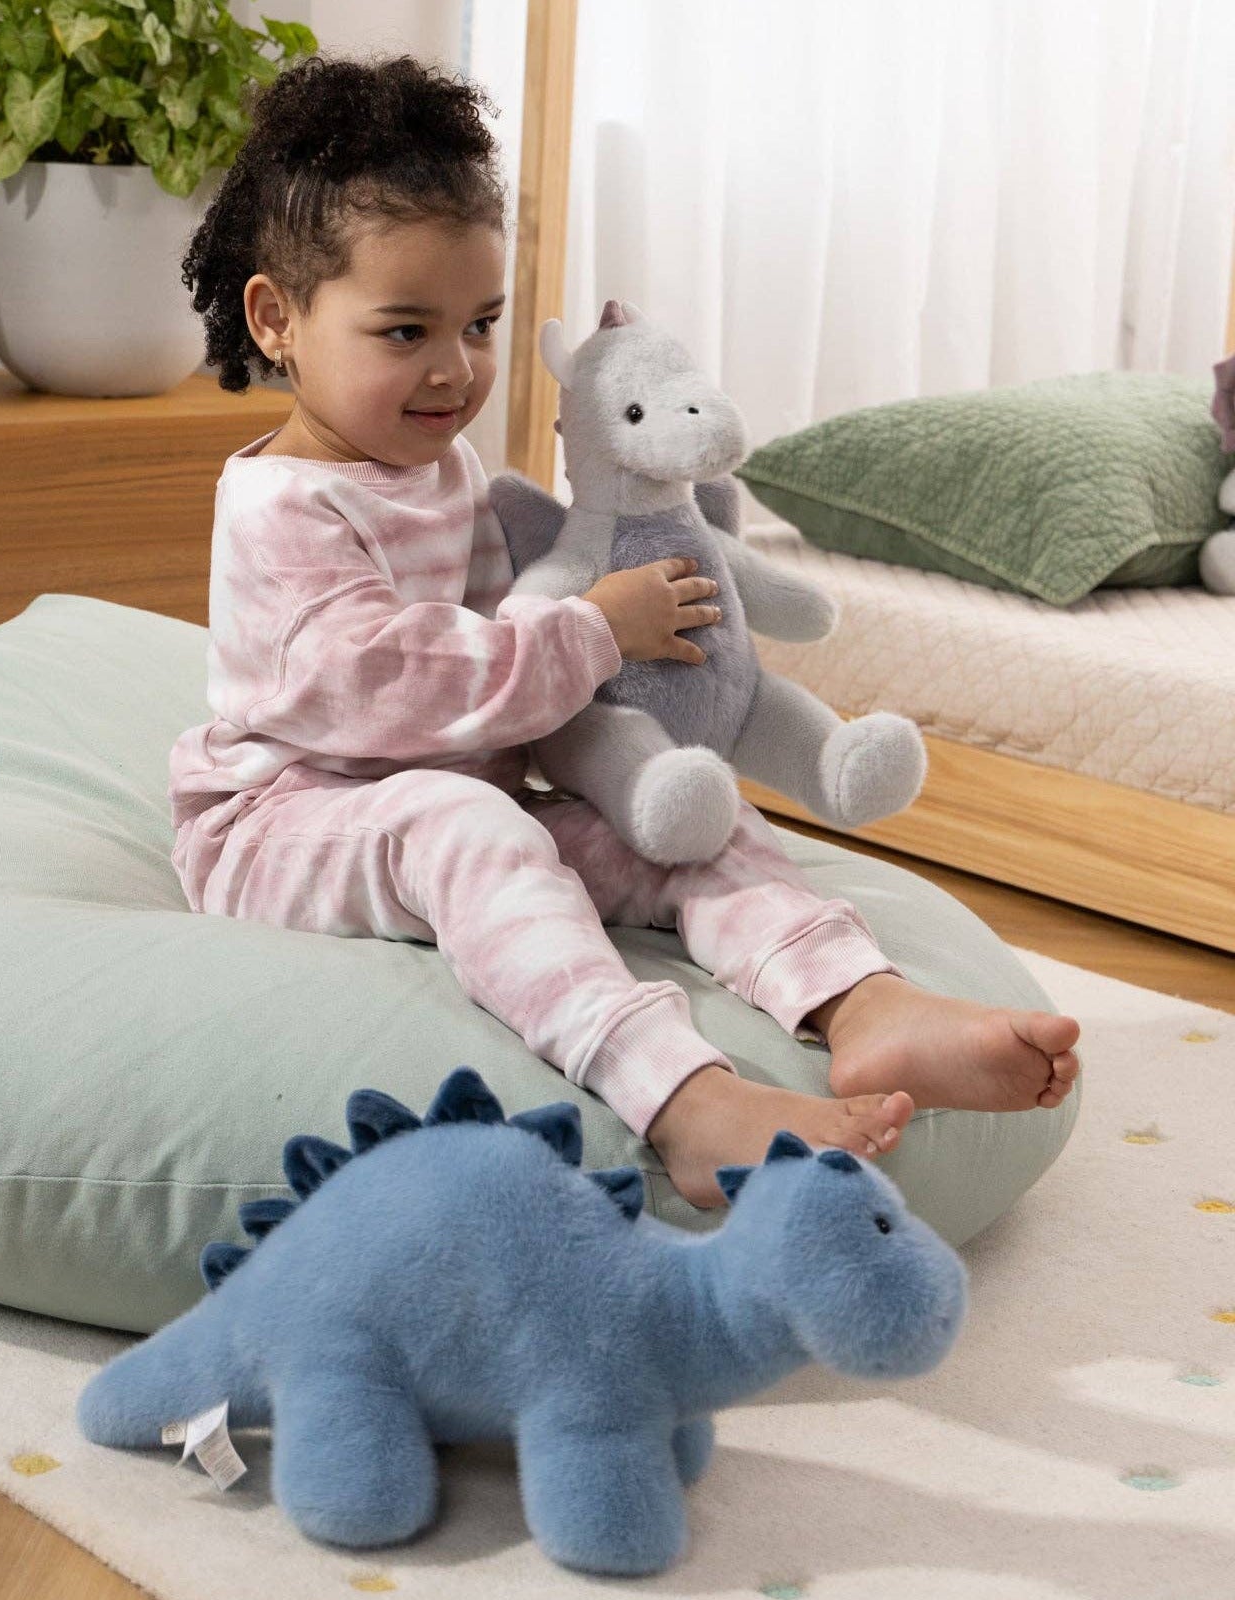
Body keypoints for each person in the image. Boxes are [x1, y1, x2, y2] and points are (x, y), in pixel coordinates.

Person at [169, 52, 1081, 1207]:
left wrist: (613, 683)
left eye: (482, 323)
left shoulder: (444, 465)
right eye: (404, 331)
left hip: (468, 790)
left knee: (678, 816)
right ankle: (683, 1098)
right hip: (285, 822)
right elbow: (387, 686)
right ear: (278, 319)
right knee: (454, 819)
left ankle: (859, 998)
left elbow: (517, 611)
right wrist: (594, 633)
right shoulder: (280, 509)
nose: (455, 367)